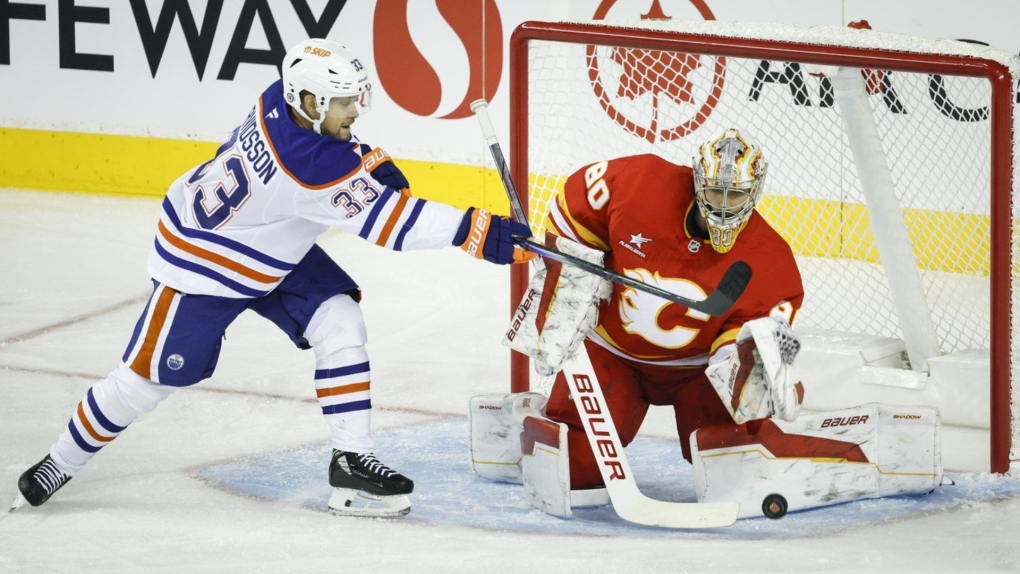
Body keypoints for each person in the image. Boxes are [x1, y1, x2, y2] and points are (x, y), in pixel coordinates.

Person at [15, 37, 532, 518]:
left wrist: (368, 160)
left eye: (354, 97)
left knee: (339, 321)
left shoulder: (277, 99)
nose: (354, 110)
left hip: (267, 240)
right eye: (342, 101)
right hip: (204, 263)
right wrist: (477, 232)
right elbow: (394, 224)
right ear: (308, 100)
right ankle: (61, 460)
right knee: (145, 382)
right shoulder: (309, 165)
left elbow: (343, 148)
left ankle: (351, 462)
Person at [471, 128, 943, 520]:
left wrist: (758, 374)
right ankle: (527, 423)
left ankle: (861, 451)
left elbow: (757, 346)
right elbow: (572, 212)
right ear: (696, 179)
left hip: (697, 370)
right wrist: (572, 274)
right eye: (714, 189)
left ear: (754, 191)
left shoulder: (770, 260)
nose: (722, 203)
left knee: (733, 472)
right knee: (576, 475)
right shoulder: (638, 183)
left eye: (735, 192)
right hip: (612, 351)